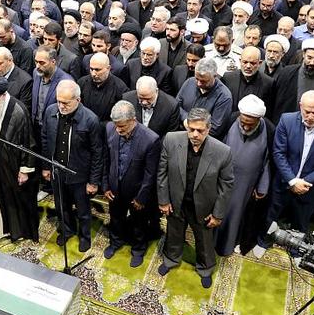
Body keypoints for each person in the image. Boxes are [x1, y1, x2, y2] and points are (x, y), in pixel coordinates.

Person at [254, 91, 314, 258]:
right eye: (307, 111)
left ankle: (296, 251)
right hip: (283, 182)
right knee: (271, 216)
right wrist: (292, 180)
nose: (310, 116)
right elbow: (278, 152)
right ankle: (263, 241)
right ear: (300, 106)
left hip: (310, 188)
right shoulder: (286, 120)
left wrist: (304, 182)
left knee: (301, 222)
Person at [157, 107, 234, 288]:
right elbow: (162, 172)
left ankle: (205, 268)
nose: (195, 134)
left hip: (203, 207)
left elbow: (226, 185)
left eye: (200, 130)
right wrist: (163, 200)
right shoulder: (171, 139)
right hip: (176, 202)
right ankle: (170, 259)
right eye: (191, 129)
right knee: (173, 233)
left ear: (208, 129)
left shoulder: (223, 151)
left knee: (204, 241)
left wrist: (218, 214)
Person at [41, 80, 103, 252]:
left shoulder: (91, 120)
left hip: (80, 176)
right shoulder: (50, 111)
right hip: (57, 171)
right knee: (61, 205)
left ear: (78, 100)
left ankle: (85, 236)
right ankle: (67, 230)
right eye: (59, 101)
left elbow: (98, 153)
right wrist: (46, 166)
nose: (61, 106)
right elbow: (45, 139)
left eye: (66, 103)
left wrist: (93, 181)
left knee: (83, 210)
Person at [0, 76, 39, 242]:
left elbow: (28, 142)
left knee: (12, 201)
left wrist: (24, 170)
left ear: (3, 95)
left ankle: (15, 231)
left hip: (11, 168)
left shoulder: (18, 111)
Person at [103, 101, 161, 267]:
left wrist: (141, 198)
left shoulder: (150, 139)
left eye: (122, 126)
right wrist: (105, 185)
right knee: (115, 218)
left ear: (133, 120)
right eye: (116, 125)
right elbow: (106, 159)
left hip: (137, 193)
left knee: (139, 224)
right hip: (115, 189)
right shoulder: (110, 128)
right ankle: (115, 242)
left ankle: (138, 249)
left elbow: (150, 174)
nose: (118, 130)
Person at [217, 95, 274, 256]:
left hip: (246, 184)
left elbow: (268, 161)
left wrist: (262, 186)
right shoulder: (231, 119)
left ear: (259, 119)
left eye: (251, 124)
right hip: (222, 179)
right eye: (243, 123)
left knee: (237, 215)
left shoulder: (269, 129)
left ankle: (229, 245)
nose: (246, 127)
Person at [269, 38, 314, 123]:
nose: (312, 62)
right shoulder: (286, 73)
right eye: (309, 58)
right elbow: (276, 102)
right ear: (303, 55)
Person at [176, 58, 233, 137]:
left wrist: (191, 126)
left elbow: (214, 129)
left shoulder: (224, 97)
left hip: (204, 139)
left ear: (215, 76)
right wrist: (185, 118)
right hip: (180, 133)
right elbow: (176, 107)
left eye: (203, 81)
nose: (198, 84)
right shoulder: (189, 82)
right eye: (197, 79)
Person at [77, 52, 128, 122]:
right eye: (91, 69)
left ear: (108, 68)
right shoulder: (81, 83)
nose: (93, 74)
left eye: (97, 70)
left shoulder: (120, 88)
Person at [221, 46, 273, 112]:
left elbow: (269, 110)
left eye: (252, 63)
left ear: (259, 63)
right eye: (245, 62)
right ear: (240, 61)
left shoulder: (268, 83)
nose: (248, 66)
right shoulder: (228, 78)